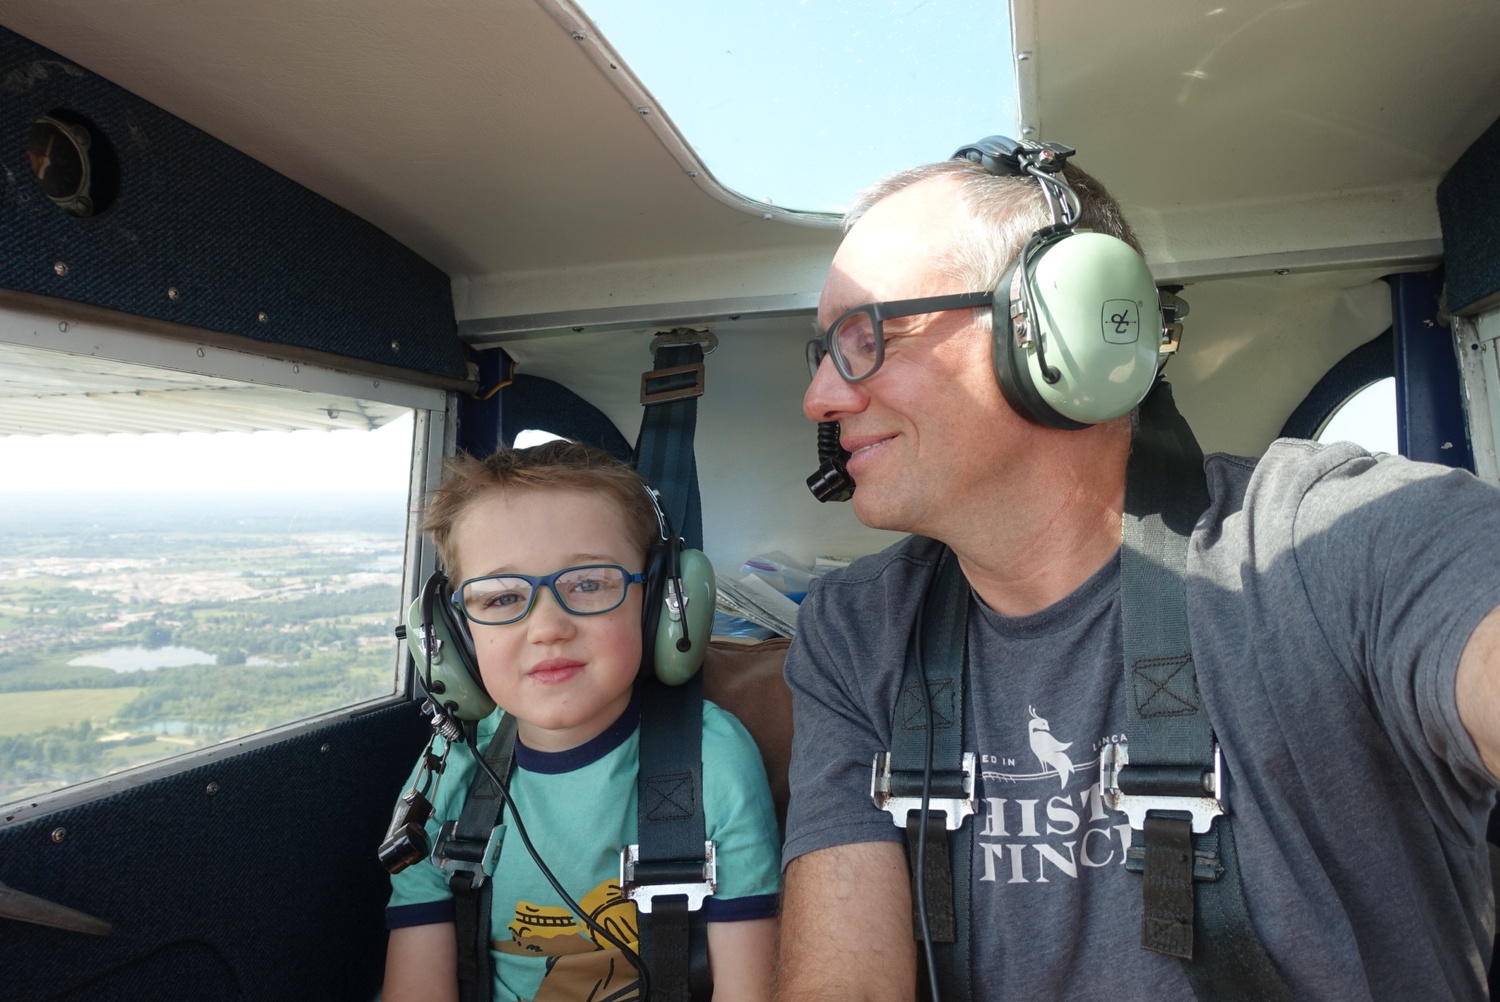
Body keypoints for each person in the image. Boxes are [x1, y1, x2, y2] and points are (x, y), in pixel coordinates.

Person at [775, 151, 1500, 1001]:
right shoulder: (855, 631)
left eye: (867, 338)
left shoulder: (1333, 540)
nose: (820, 397)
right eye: (824, 351)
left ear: (1061, 326)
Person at [383, 441, 781, 1002]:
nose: (548, 628)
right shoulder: (445, 776)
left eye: (589, 584)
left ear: (662, 606)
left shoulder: (711, 761)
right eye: (500, 599)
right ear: (449, 635)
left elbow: (750, 990)